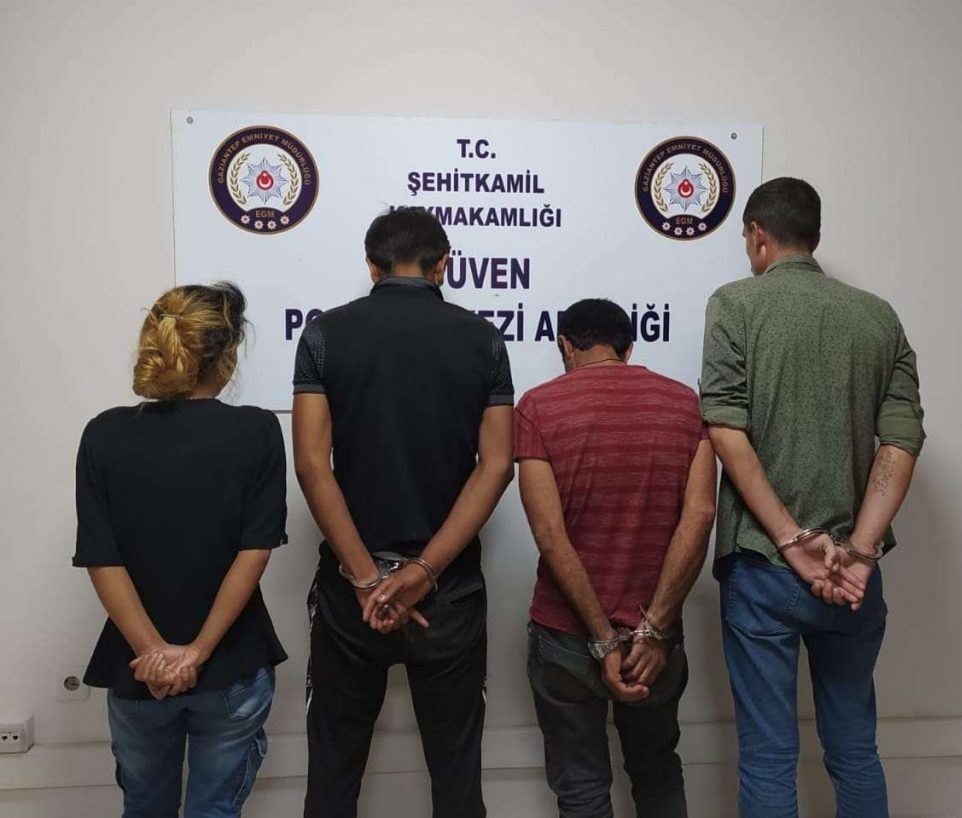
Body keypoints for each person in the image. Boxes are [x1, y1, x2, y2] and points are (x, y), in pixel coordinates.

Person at [700, 177, 926, 817]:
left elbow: (725, 427)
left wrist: (793, 540)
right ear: (816, 236)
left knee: (768, 756)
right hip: (853, 575)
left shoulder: (734, 304)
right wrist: (859, 551)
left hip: (763, 564)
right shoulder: (878, 316)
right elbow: (902, 439)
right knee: (854, 750)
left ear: (757, 235)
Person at [292, 206, 515, 818]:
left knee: (332, 776)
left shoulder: (323, 335)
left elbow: (311, 464)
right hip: (448, 591)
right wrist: (422, 573)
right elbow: (497, 465)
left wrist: (368, 579)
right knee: (457, 779)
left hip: (350, 593)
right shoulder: (484, 339)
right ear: (444, 266)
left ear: (372, 266)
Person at [73, 282, 288, 818]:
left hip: (136, 670)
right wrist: (195, 652)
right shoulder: (257, 430)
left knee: (145, 808)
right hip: (231, 662)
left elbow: (101, 557)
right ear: (228, 354)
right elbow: (254, 553)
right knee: (215, 810)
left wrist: (154, 655)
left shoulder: (104, 434)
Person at [515, 298, 717, 818]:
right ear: (628, 348)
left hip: (566, 636)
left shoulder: (538, 407)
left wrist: (602, 637)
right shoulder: (684, 405)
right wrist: (654, 630)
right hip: (656, 639)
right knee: (658, 775)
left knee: (581, 788)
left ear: (565, 345)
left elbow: (550, 536)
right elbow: (699, 517)